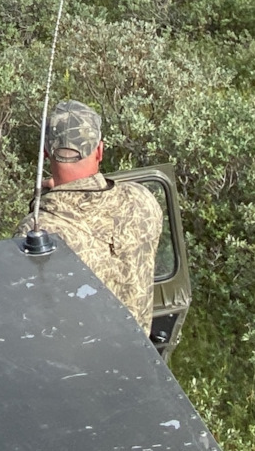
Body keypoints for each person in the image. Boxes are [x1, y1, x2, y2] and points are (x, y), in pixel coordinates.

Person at [18, 99, 163, 332]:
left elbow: (28, 312)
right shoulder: (141, 198)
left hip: (82, 366)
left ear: (46, 152)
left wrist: (42, 203)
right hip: (142, 360)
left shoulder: (37, 230)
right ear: (99, 151)